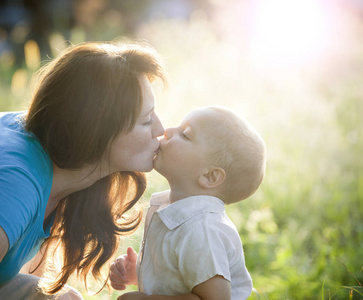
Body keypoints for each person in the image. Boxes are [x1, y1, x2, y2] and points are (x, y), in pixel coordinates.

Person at [0, 41, 170, 299]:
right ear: (97, 130)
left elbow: (35, 277)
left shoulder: (55, 155)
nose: (160, 130)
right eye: (146, 120)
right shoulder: (16, 183)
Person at [110, 106, 267, 300]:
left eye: (185, 135)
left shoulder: (202, 230)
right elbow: (181, 277)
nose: (167, 131)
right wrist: (140, 271)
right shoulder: (176, 214)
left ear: (209, 176)